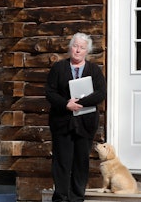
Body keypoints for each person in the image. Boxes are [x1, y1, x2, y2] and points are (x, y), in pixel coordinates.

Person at [45, 32, 106, 202]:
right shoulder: (58, 68)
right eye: (75, 46)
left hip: (85, 123)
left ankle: (77, 198)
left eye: (82, 47)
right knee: (62, 162)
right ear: (70, 47)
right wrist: (66, 104)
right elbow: (50, 92)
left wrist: (80, 102)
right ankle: (61, 197)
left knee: (81, 161)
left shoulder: (94, 70)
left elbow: (101, 93)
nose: (78, 50)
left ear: (87, 51)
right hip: (62, 122)